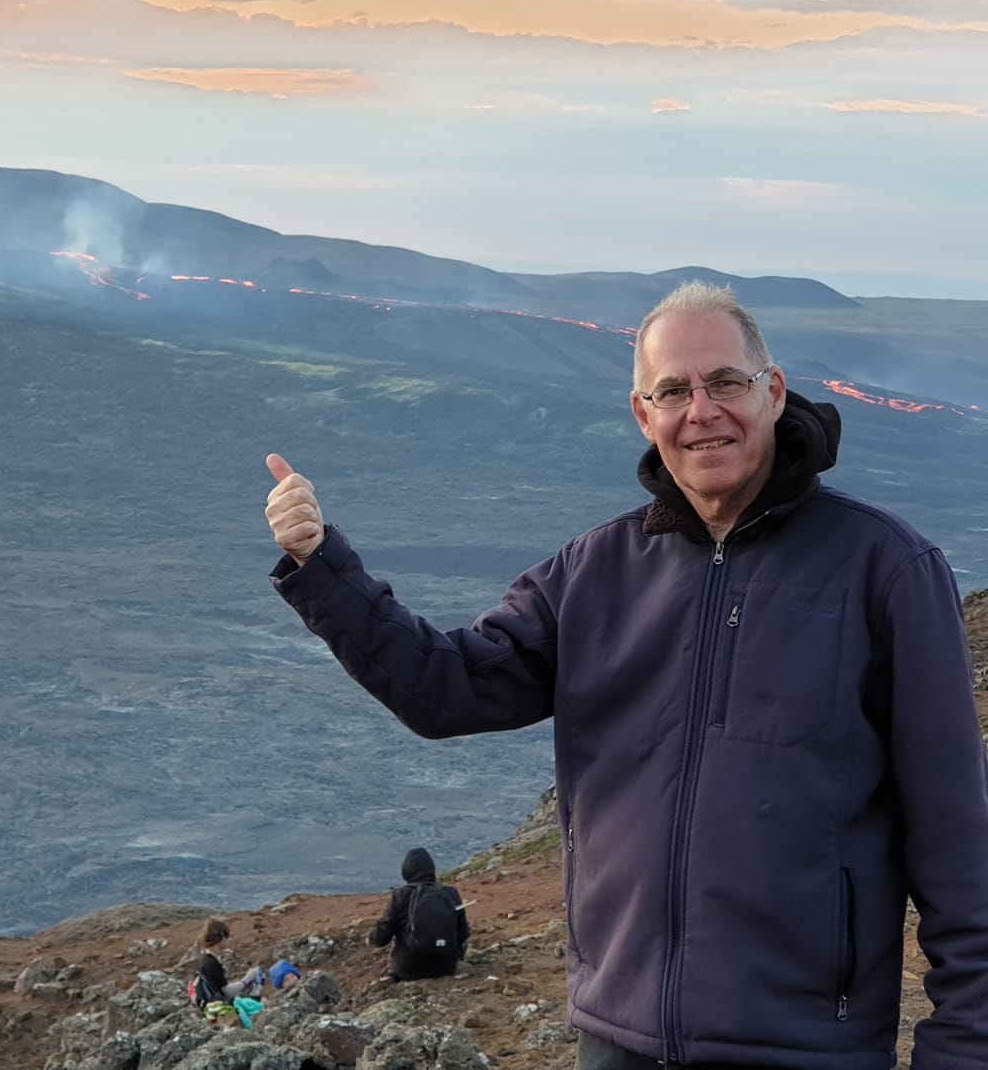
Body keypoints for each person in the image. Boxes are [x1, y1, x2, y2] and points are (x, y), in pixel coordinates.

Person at [263, 280, 988, 1069]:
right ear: (644, 414)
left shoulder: (884, 570)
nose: (701, 410)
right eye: (672, 390)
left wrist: (961, 1047)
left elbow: (958, 842)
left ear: (773, 393)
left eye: (726, 383)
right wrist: (321, 568)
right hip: (616, 1037)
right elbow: (447, 688)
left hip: (808, 1047)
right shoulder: (592, 572)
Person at [368, 846, 470, 981]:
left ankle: (392, 975)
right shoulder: (450, 893)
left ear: (406, 871)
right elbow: (463, 933)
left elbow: (383, 936)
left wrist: (371, 939)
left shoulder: (401, 895)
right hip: (446, 967)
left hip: (408, 969)